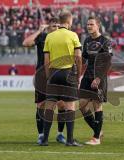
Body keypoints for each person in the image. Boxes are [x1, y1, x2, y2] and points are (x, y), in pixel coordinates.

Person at [41, 11, 82, 146]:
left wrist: (48, 76)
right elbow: (78, 57)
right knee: (70, 106)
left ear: (59, 21)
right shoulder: (73, 35)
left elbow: (46, 60)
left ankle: (45, 140)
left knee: (50, 106)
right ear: (69, 22)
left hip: (53, 73)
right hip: (68, 72)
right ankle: (69, 140)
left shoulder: (50, 36)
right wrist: (78, 75)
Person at [22, 18, 66, 145]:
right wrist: (39, 30)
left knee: (62, 104)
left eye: (58, 26)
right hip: (42, 76)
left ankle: (60, 134)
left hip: (58, 74)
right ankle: (41, 135)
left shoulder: (63, 38)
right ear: (48, 28)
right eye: (53, 26)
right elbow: (26, 43)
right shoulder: (42, 37)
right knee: (41, 105)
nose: (56, 28)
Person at [79, 16, 112, 145]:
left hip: (99, 77)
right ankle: (98, 130)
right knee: (82, 105)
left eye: (91, 24)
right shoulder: (86, 41)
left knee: (97, 105)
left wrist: (98, 78)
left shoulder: (105, 41)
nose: (89, 26)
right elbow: (83, 59)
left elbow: (108, 62)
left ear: (98, 25)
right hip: (87, 76)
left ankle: (96, 138)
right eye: (87, 24)